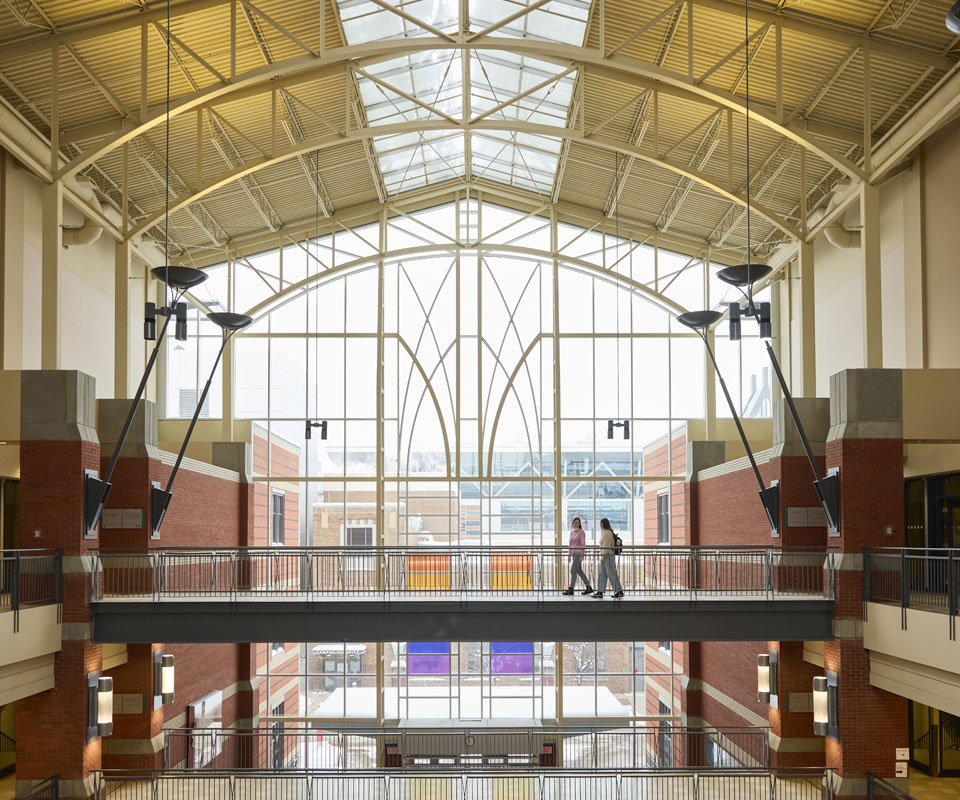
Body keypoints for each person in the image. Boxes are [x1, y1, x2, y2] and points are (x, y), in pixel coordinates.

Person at [592, 518, 624, 599]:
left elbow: (606, 546)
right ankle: (600, 591)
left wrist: (602, 557)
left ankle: (619, 591)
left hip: (607, 556)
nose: (600, 525)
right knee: (602, 574)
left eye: (600, 523)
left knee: (611, 574)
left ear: (603, 524)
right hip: (606, 556)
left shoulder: (607, 533)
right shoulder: (606, 532)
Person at [562, 517, 592, 596]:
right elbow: (570, 544)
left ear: (580, 523)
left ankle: (571, 588)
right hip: (573, 554)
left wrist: (582, 555)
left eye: (578, 522)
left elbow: (583, 544)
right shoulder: (572, 532)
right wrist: (569, 554)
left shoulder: (581, 532)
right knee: (579, 571)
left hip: (578, 554)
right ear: (573, 523)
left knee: (573, 570)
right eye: (575, 522)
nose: (576, 524)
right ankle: (589, 587)